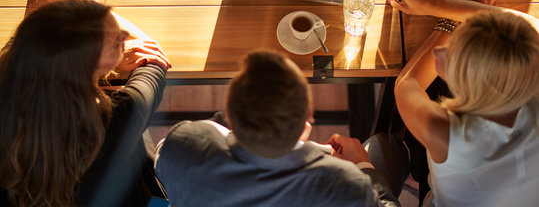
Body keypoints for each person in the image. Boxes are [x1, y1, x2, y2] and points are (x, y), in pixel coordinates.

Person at [0, 0, 172, 207]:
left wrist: (52, 23)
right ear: (97, 67)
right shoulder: (120, 115)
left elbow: (24, 53)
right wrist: (84, 0)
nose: (123, 36)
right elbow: (154, 54)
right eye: (114, 42)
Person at [155, 50, 409, 207]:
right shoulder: (344, 182)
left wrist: (218, 128)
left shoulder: (185, 144)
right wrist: (364, 168)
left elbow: (161, 155)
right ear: (308, 117)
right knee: (385, 147)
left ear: (230, 115)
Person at [387, 0, 539, 207]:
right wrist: (439, 3)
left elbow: (407, 84)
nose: (441, 55)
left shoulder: (448, 136)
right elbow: (530, 28)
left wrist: (450, 18)